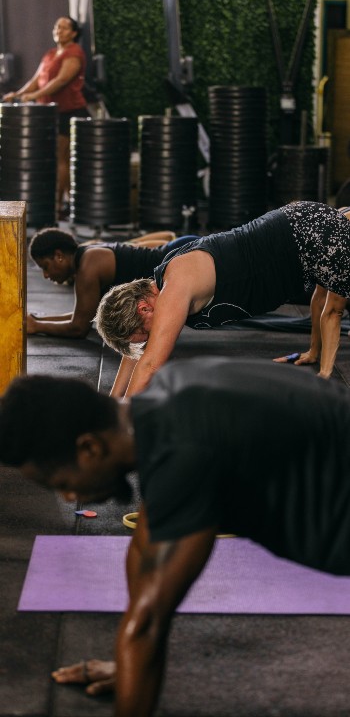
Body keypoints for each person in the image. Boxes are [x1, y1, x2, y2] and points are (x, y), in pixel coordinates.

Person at [1, 358, 350, 712]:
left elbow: (149, 623)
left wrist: (136, 656)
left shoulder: (182, 447)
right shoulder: (166, 400)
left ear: (89, 448)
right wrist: (129, 665)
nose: (70, 498)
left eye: (62, 484)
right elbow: (145, 551)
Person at [94, 201, 350, 398]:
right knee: (323, 293)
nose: (150, 341)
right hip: (298, 231)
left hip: (307, 235)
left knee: (335, 308)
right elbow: (138, 355)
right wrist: (111, 402)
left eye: (145, 335)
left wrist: (121, 420)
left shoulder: (176, 287)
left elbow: (150, 364)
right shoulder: (160, 284)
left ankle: (325, 374)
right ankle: (315, 352)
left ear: (143, 308)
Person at [27, 227, 197, 339]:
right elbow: (83, 314)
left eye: (46, 267)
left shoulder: (88, 268)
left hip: (184, 258)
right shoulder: (87, 254)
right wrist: (39, 318)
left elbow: (79, 327)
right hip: (181, 253)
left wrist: (37, 326)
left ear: (59, 256)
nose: (46, 275)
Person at [3, 16, 89, 216]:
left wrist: (33, 96)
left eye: (64, 27)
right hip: (48, 114)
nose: (58, 30)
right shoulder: (50, 53)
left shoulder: (74, 53)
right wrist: (18, 94)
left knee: (61, 159)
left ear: (74, 33)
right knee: (53, 160)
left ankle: (61, 206)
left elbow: (61, 80)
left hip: (68, 112)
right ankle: (64, 205)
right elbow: (37, 80)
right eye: (56, 26)